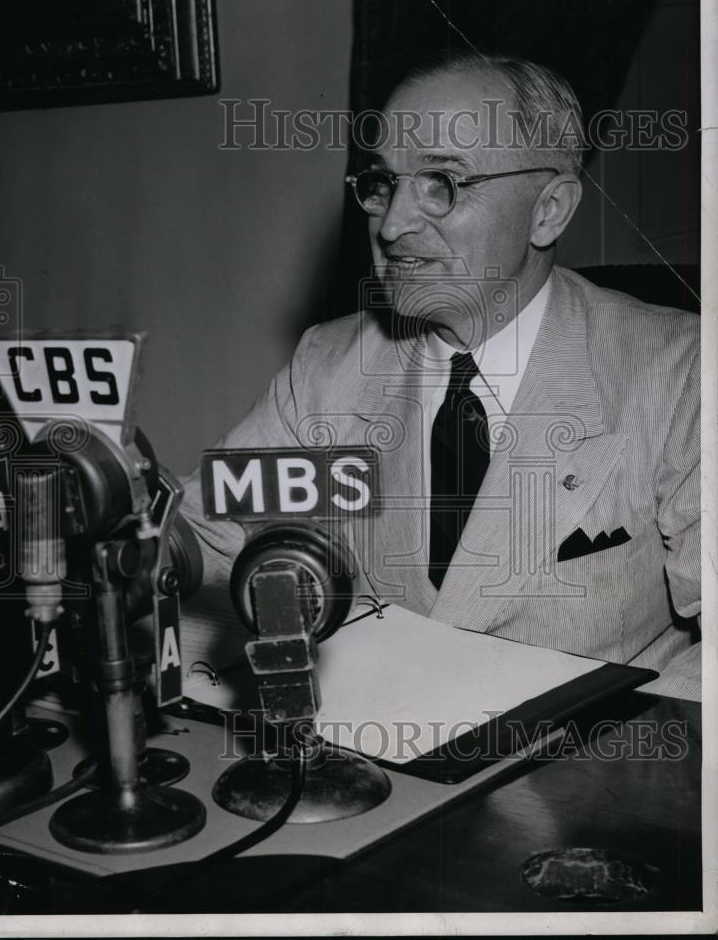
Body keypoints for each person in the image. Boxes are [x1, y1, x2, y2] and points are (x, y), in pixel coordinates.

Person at [181, 51, 700, 697]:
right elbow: (210, 537)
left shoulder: (681, 371)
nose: (393, 225)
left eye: (442, 182)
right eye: (383, 183)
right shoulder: (326, 366)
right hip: (373, 740)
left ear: (548, 210)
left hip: (592, 748)